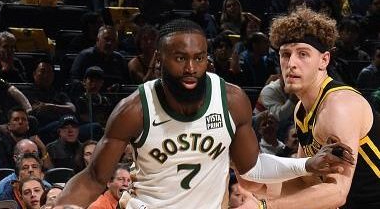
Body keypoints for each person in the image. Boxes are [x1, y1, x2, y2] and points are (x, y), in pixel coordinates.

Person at [56, 19, 354, 208]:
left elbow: (251, 169)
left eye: (199, 58)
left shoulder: (232, 100)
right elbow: (94, 177)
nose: (190, 68)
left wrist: (306, 165)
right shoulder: (134, 110)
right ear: (159, 60)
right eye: (180, 58)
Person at [241, 7, 379, 208]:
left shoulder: (339, 106)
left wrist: (265, 206)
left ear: (324, 60)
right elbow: (307, 181)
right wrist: (260, 190)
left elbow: (336, 192)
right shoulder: (301, 110)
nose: (291, 64)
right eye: (285, 54)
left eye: (303, 54)